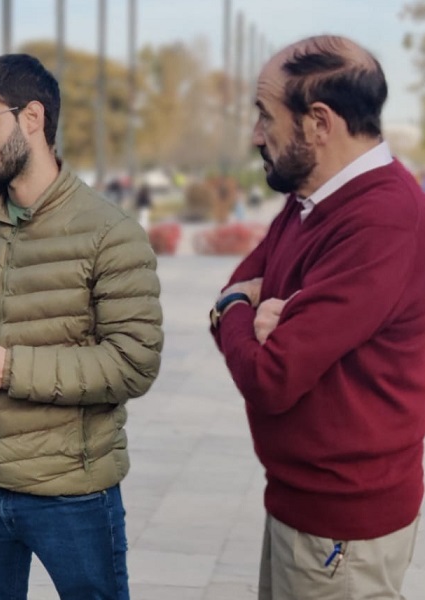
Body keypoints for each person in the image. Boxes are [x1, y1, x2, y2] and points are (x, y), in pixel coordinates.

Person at [0, 54, 164, 599]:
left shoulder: (111, 233)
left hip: (71, 493)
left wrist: (9, 369)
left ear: (32, 117)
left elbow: (134, 363)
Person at [210, 35, 425, 599]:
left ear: (319, 123)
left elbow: (269, 377)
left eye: (265, 115)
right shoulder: (313, 197)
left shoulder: (380, 219)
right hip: (304, 508)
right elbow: (243, 282)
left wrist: (233, 309)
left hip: (342, 525)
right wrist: (245, 309)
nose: (256, 134)